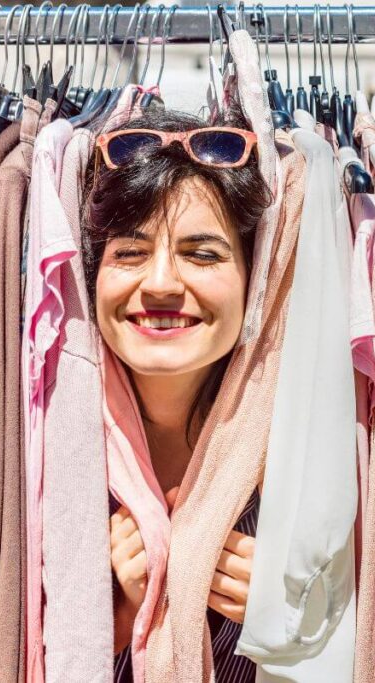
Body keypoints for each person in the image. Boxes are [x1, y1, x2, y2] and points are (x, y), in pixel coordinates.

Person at [84, 110, 270, 681]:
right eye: (130, 253)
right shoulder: (48, 450)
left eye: (203, 253)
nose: (161, 283)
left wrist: (300, 627)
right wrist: (111, 617)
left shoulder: (300, 461)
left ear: (253, 276)